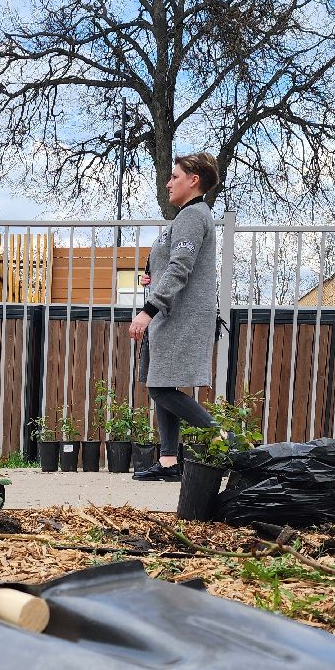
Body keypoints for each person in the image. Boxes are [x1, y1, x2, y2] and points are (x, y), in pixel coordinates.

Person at [128, 153, 220, 482]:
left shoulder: (194, 216)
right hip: (171, 313)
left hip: (179, 315)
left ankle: (229, 442)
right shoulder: (185, 218)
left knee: (160, 387)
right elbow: (173, 264)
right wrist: (152, 276)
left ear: (193, 180)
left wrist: (148, 310)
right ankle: (168, 463)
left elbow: (181, 267)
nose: (168, 183)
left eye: (175, 177)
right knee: (161, 383)